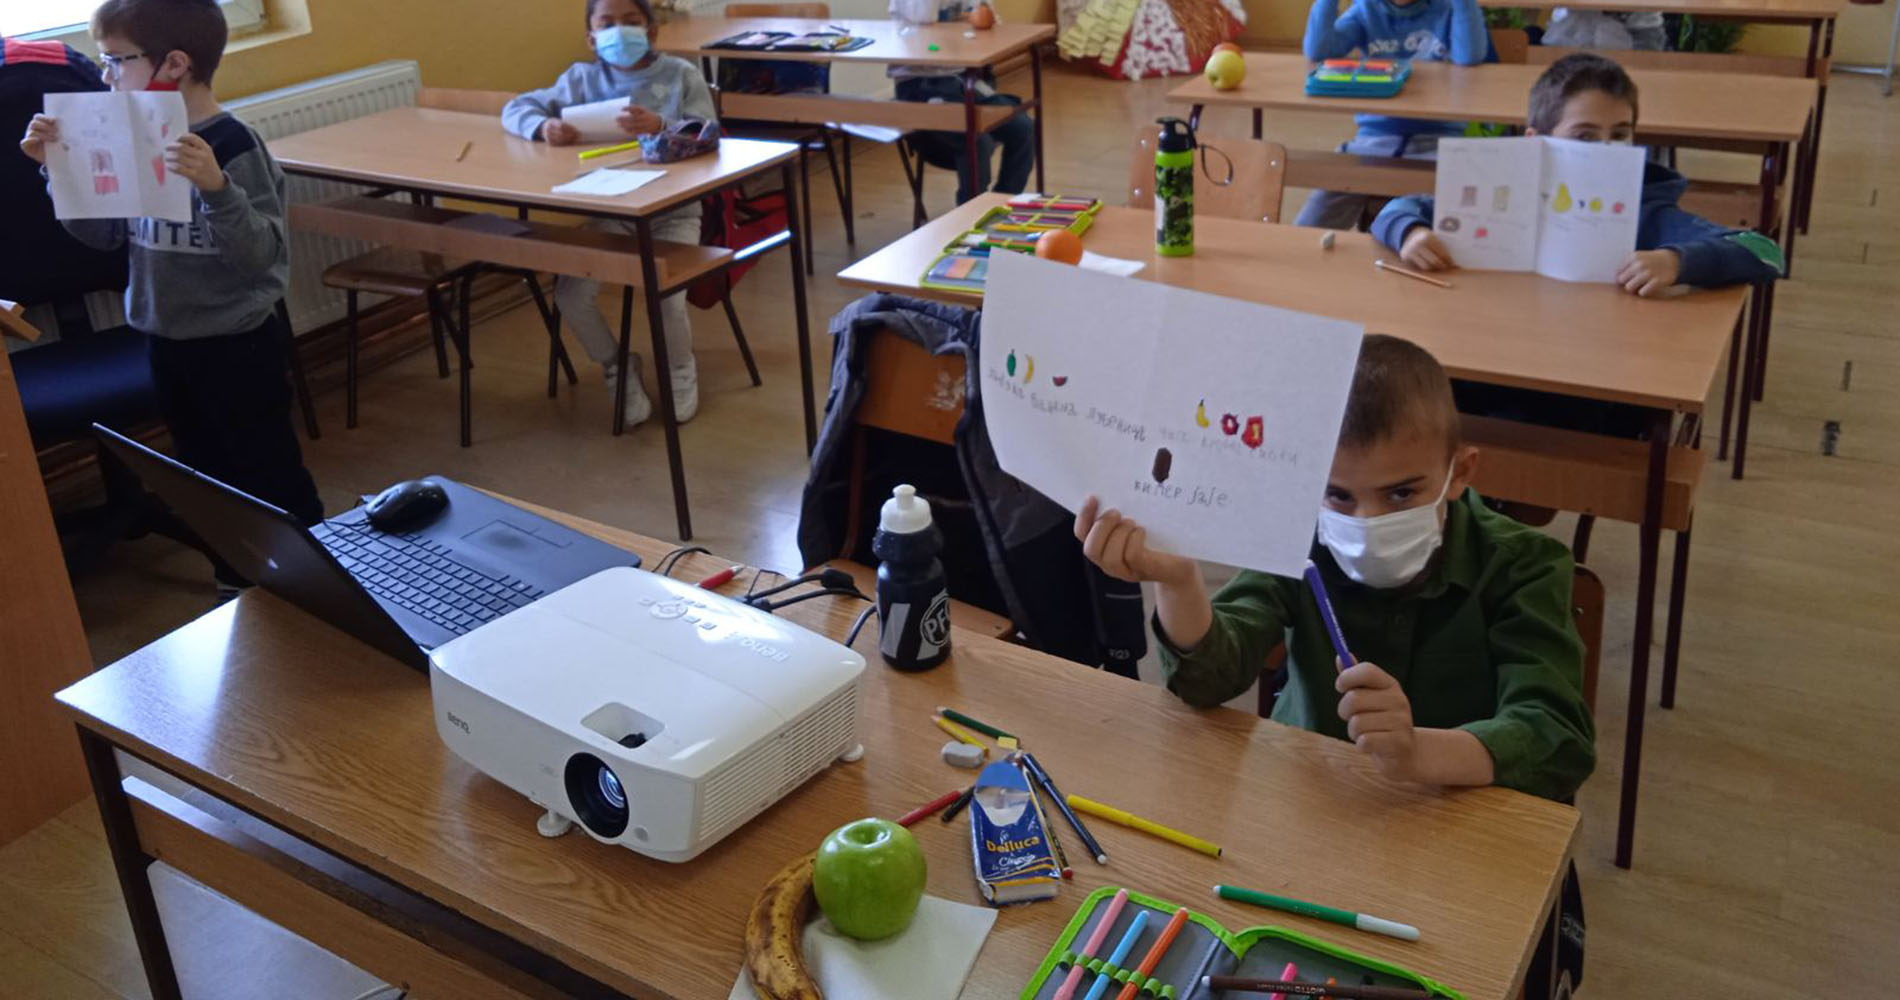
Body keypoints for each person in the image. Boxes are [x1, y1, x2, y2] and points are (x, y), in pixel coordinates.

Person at [1075, 334, 1596, 803]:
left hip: (1460, 812)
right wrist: (1178, 582)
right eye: (1338, 495)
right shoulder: (1296, 539)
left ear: (1459, 472)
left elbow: (1557, 736)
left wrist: (1418, 753)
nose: (1368, 521)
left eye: (1401, 493)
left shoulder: (1524, 565)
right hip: (1314, 799)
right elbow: (1209, 680)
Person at [20, 0, 322, 538]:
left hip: (237, 344)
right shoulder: (134, 139)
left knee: (269, 474)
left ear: (175, 64)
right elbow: (103, 237)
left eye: (116, 61)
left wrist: (218, 190)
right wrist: (59, 173)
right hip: (165, 339)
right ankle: (235, 572)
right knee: (204, 475)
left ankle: (317, 568)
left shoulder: (233, 144)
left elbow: (262, 257)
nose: (106, 77)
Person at [1373, 52, 1785, 296]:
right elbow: (1397, 208)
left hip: (1600, 375)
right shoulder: (1507, 191)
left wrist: (1677, 261)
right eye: (1585, 136)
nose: (1606, 149)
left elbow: (1765, 251)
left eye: (1620, 135)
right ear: (1537, 141)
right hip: (1502, 347)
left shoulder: (1645, 209)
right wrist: (1410, 233)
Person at [502, 0, 716, 427]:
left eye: (631, 22)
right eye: (608, 24)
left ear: (651, 31)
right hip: (610, 211)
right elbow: (516, 108)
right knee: (570, 295)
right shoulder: (579, 80)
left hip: (673, 211)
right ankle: (616, 365)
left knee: (666, 296)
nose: (620, 32)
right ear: (591, 37)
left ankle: (679, 368)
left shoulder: (680, 75)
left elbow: (710, 134)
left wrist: (661, 125)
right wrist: (543, 127)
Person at [1297, 0, 1488, 230]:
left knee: (1452, 220)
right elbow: (1318, 50)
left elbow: (1469, 56)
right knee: (1313, 220)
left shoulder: (1446, 9)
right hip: (1373, 141)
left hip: (1438, 141)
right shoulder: (1366, 9)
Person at [888, 0, 1034, 204]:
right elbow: (925, 22)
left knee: (1024, 127)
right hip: (919, 84)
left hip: (962, 80)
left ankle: (1001, 201)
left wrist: (980, 19)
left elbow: (990, 23)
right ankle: (971, 213)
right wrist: (964, 22)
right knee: (976, 140)